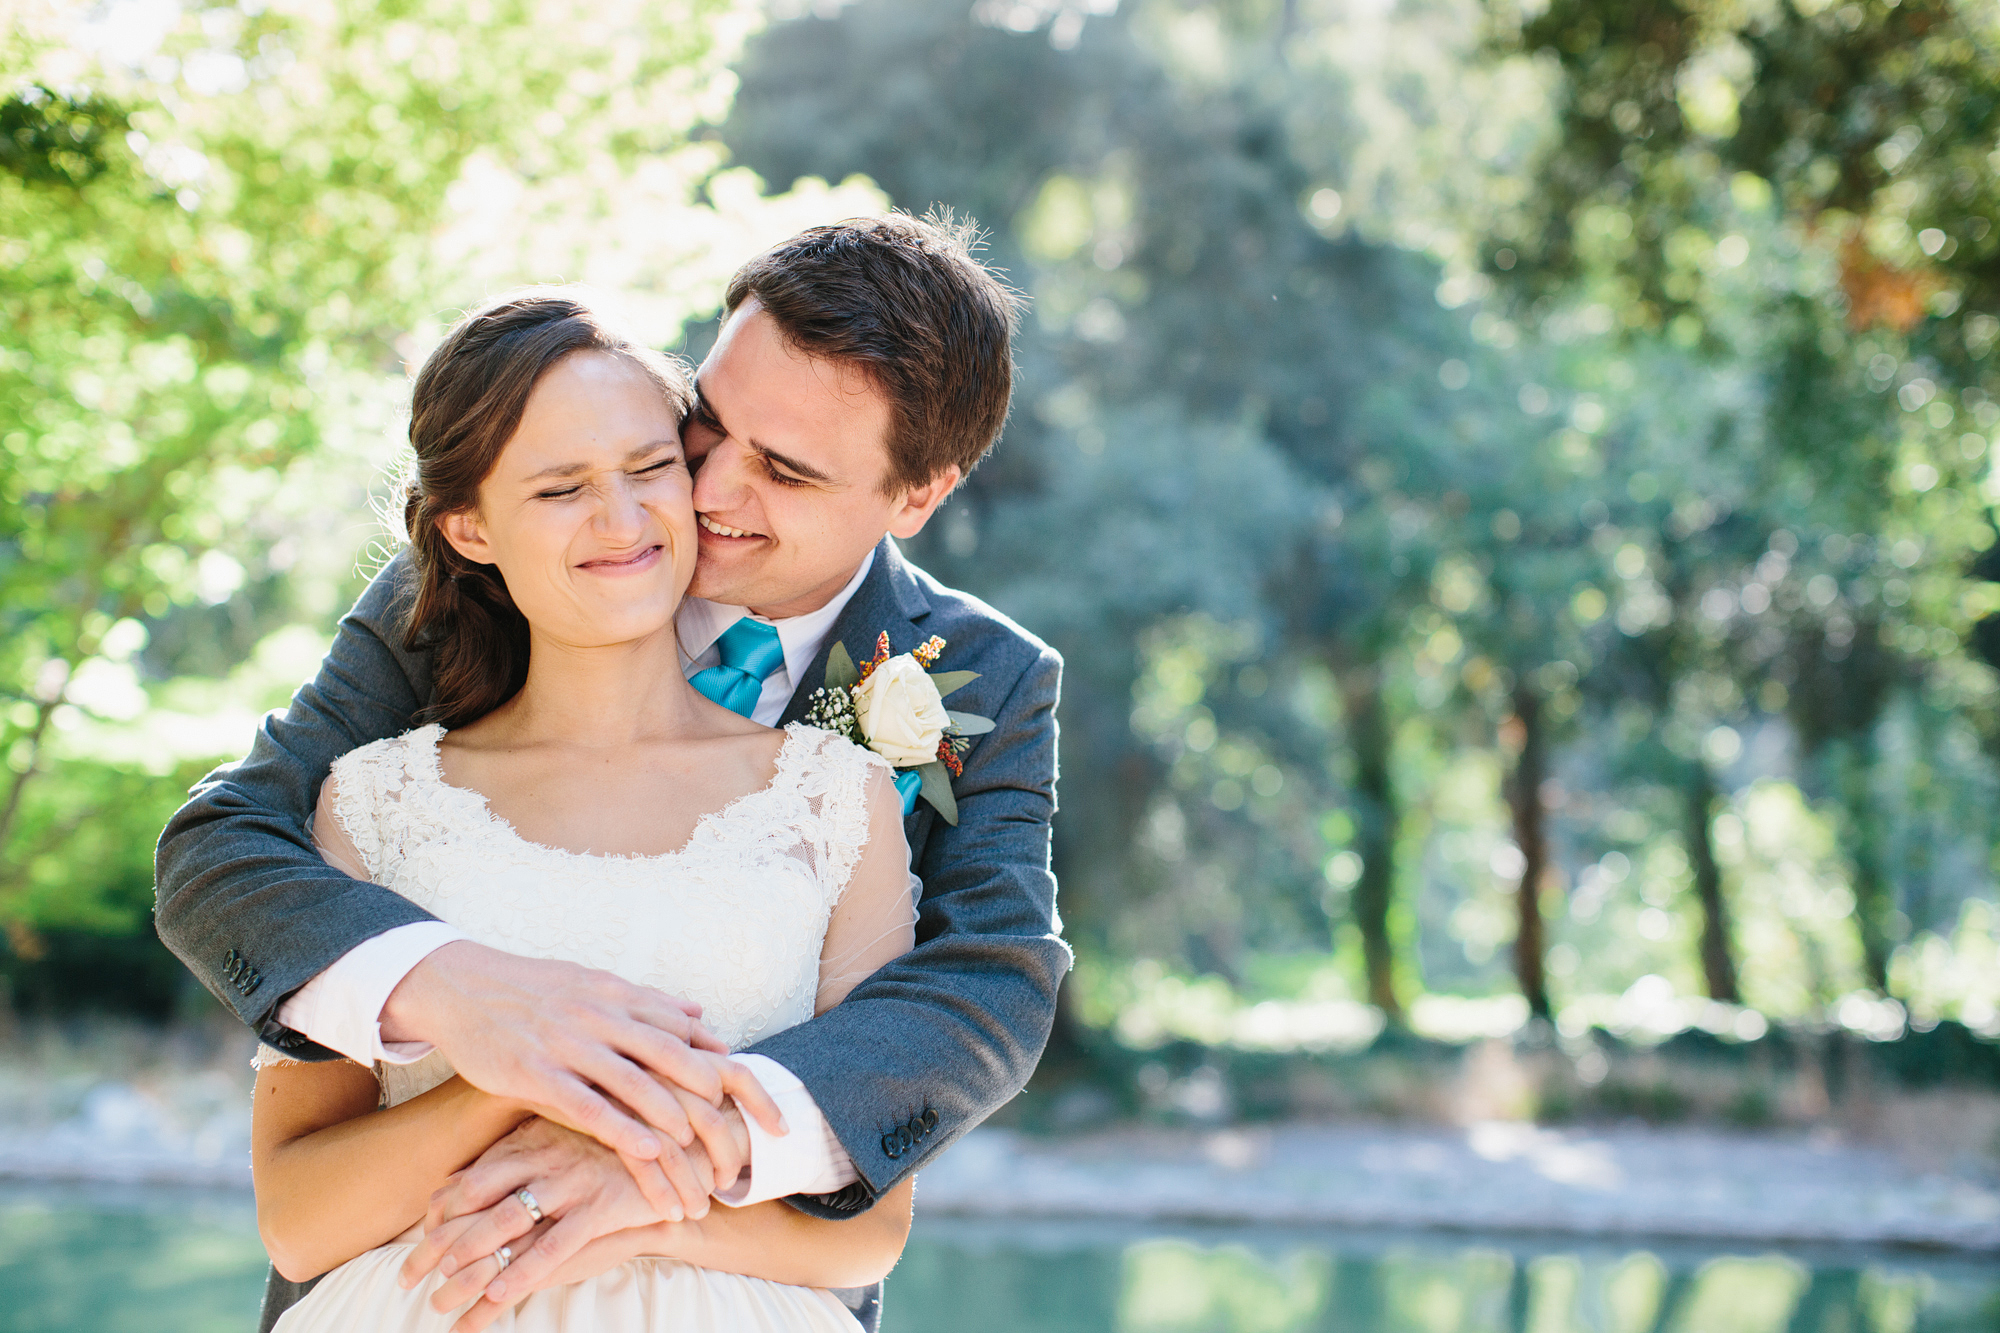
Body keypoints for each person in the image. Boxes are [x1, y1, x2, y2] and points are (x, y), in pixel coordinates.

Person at [154, 215, 1069, 1332]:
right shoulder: (481, 568)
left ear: (916, 494)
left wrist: (688, 1137)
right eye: (707, 423)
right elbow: (224, 842)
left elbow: (991, 981)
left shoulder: (979, 681)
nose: (706, 490)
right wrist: (459, 994)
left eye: (782, 469)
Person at [255, 291, 922, 1330]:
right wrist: (521, 1068)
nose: (622, 520)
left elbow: (869, 1227)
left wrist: (640, 1203)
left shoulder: (837, 800)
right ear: (469, 525)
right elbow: (298, 1220)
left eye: (650, 467)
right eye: (562, 487)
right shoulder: (375, 802)